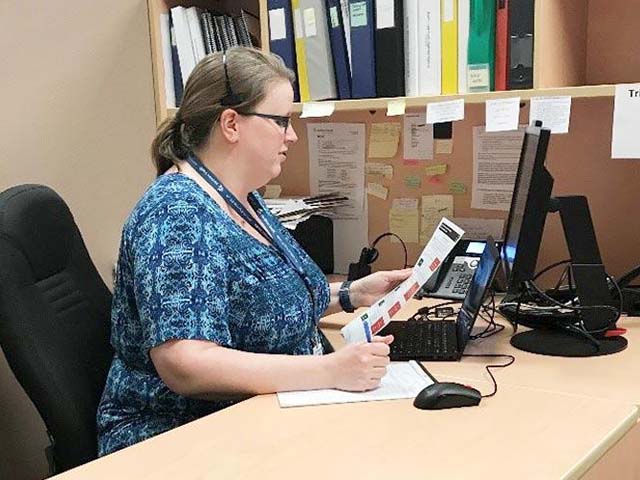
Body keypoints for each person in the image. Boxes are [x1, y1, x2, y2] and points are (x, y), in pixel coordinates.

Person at [97, 47, 411, 455]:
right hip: (177, 437)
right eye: (280, 121)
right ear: (231, 123)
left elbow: (256, 302)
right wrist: (328, 370)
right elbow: (185, 362)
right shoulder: (177, 214)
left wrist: (351, 294)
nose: (291, 135)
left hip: (259, 415)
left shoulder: (240, 196)